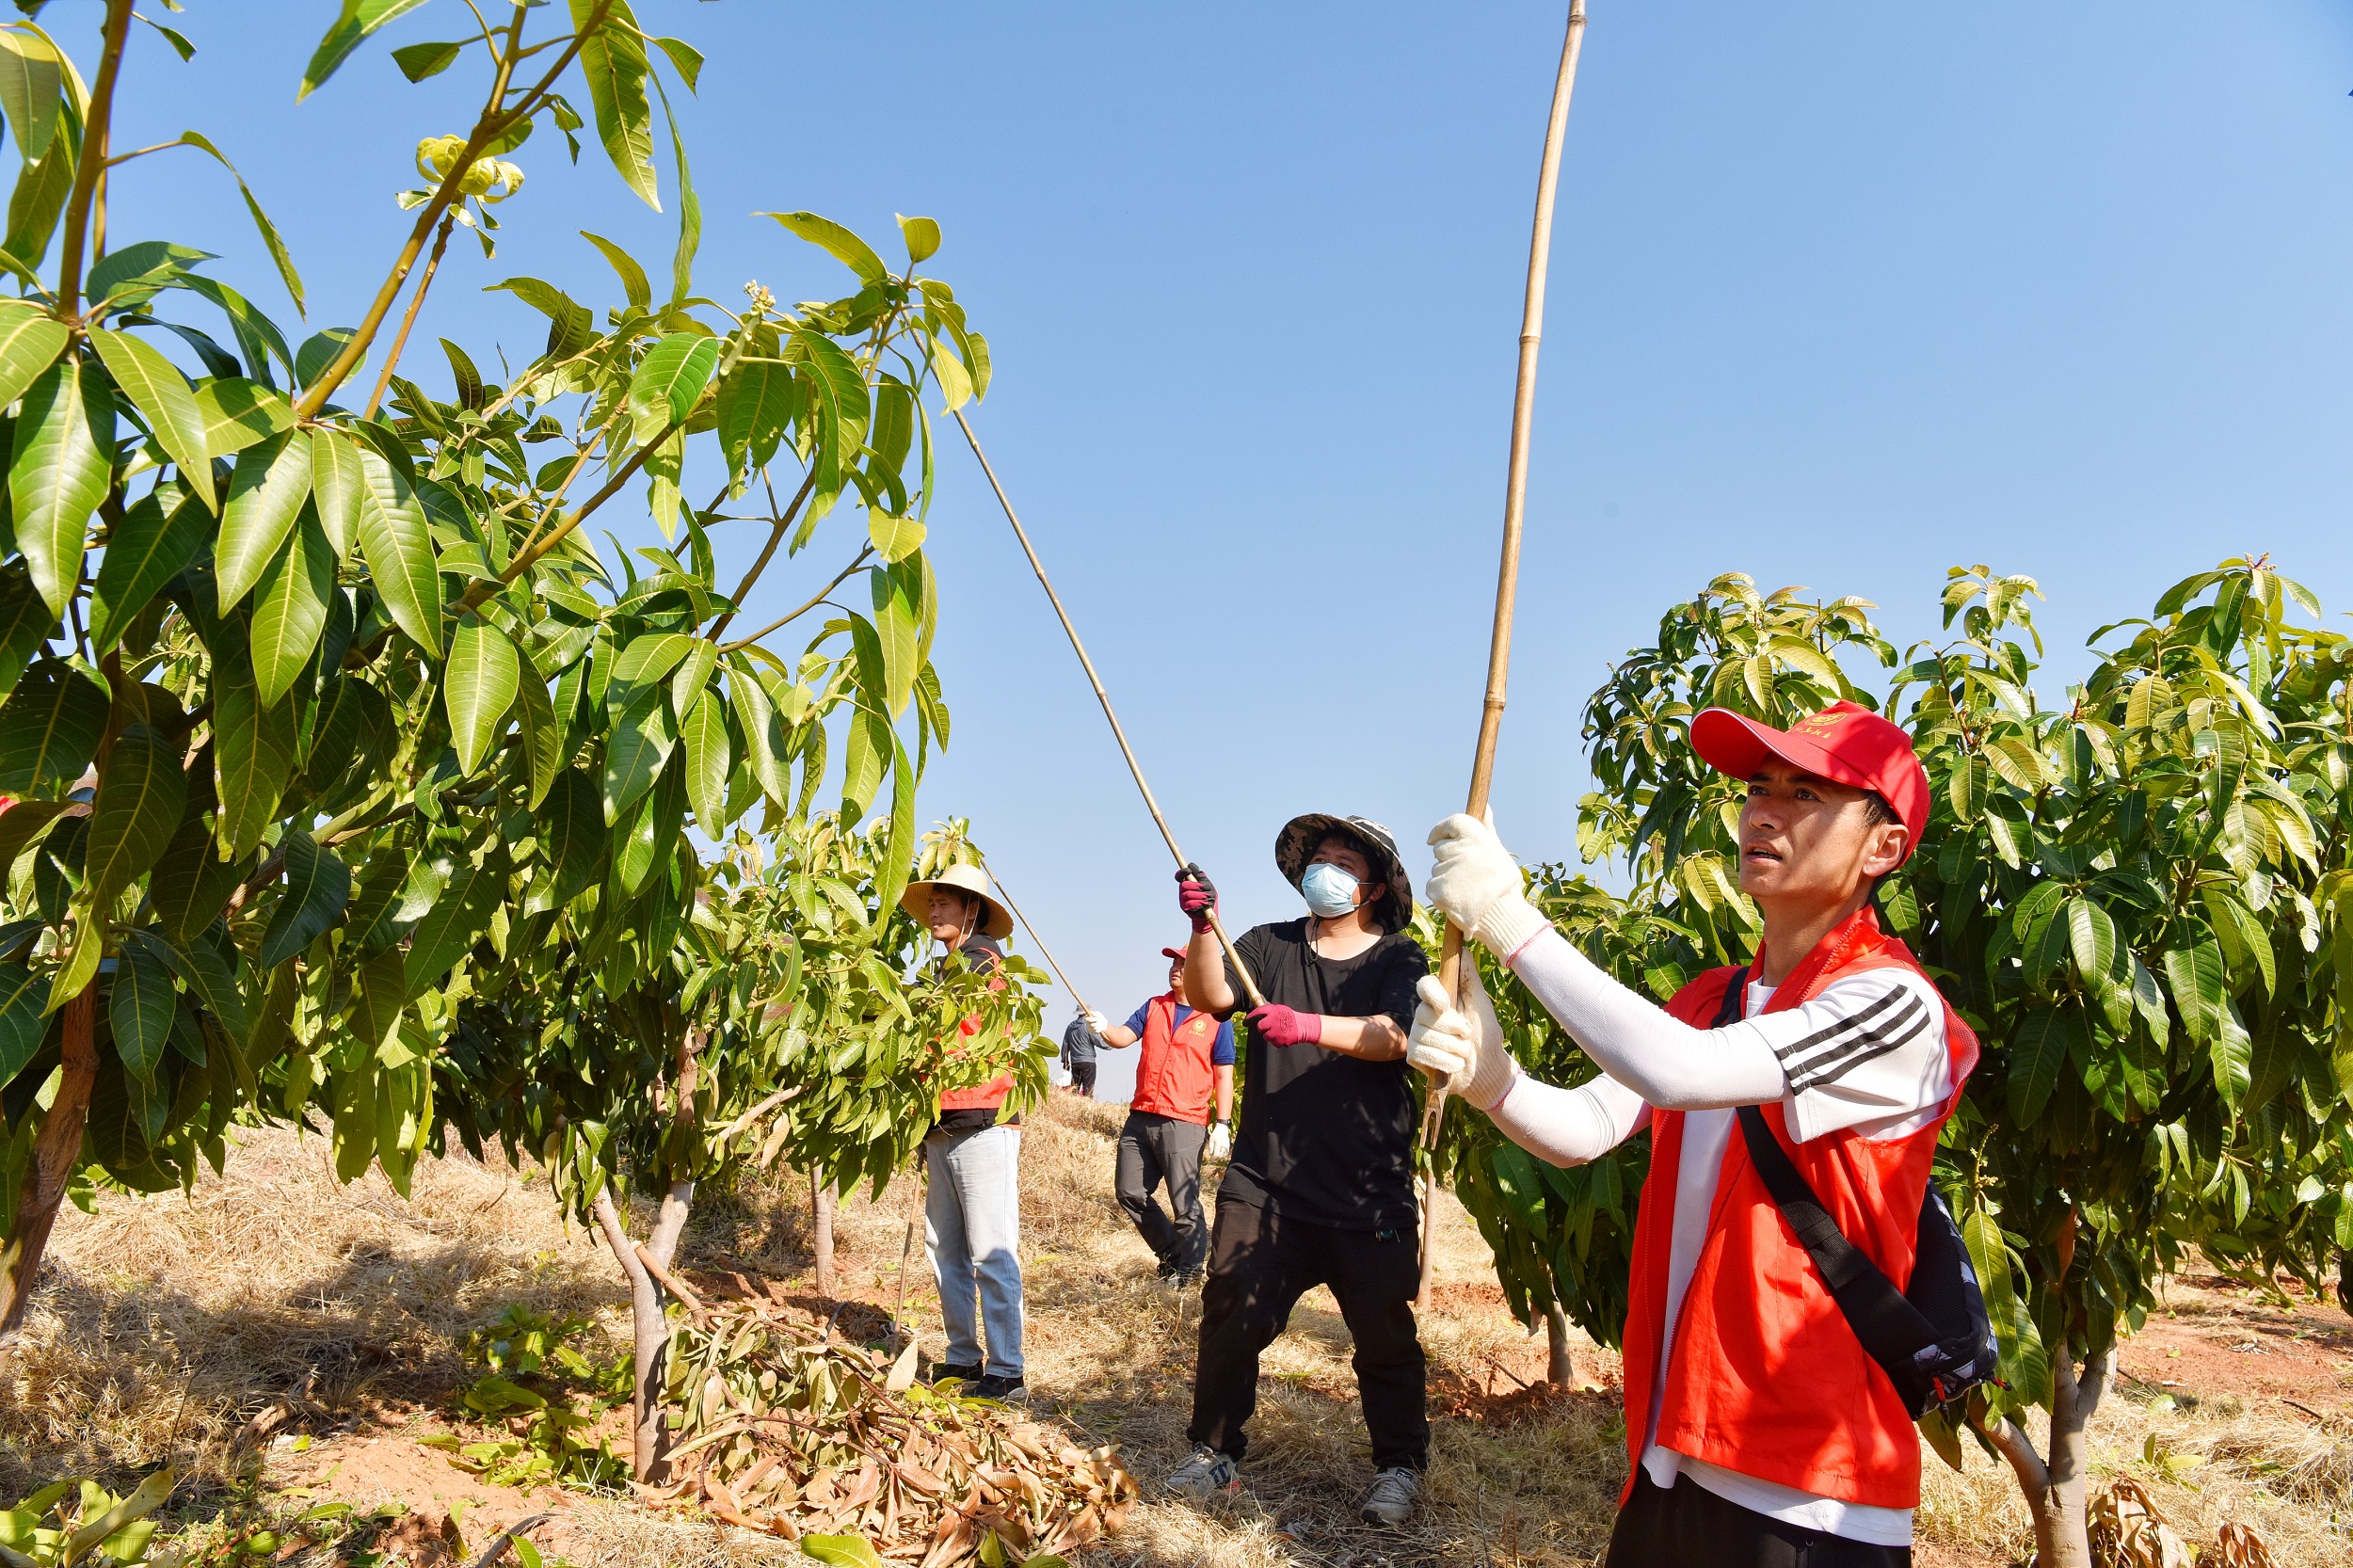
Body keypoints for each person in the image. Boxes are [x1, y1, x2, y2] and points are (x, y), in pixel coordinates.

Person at [1408, 702, 1979, 1567]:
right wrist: (1495, 1081)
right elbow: (1585, 1127)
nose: (1765, 810)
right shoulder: (1712, 999)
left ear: (1883, 849)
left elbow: (1678, 1071)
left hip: (1806, 1492)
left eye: (1806, 794)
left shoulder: (1893, 1005)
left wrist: (1510, 921)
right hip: (1677, 1447)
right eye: (1759, 787)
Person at [1161, 815, 1433, 1528]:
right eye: (1319, 858)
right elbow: (1209, 996)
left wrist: (1308, 1025)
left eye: (1344, 860)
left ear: (1375, 886)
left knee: (1382, 1335)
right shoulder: (1267, 944)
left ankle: (1399, 1466)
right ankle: (1212, 1449)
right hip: (1266, 1179)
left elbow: (1396, 1036)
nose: (1327, 869)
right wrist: (1203, 929)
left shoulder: (1399, 959)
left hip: (1366, 1188)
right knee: (1231, 1308)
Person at [901, 862, 1028, 1402]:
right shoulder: (938, 976)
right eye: (930, 905)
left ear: (971, 912)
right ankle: (961, 1357)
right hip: (941, 1127)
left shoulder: (986, 971)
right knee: (943, 1247)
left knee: (991, 1248)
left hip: (983, 1122)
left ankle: (1007, 1369)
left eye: (944, 904)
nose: (933, 913)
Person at [1083, 945, 1237, 1284]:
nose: (1176, 968)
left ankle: (1189, 1270)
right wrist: (1103, 1026)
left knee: (1185, 1202)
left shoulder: (1215, 1017)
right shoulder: (1154, 1006)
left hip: (1184, 1120)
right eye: (1174, 962)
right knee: (1129, 1192)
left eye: (1184, 963)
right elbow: (1123, 1037)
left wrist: (1222, 1124)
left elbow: (1224, 1072)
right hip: (1142, 1115)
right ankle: (1171, 1254)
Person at [1059, 1009, 1099, 1097]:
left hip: (1075, 1062)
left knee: (1074, 1089)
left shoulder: (1070, 1027)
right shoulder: (1088, 1026)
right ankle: (1086, 1108)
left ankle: (1074, 1107)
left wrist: (1065, 1062)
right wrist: (1111, 1044)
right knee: (1088, 1090)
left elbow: (1065, 1045)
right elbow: (1097, 1040)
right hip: (1088, 1062)